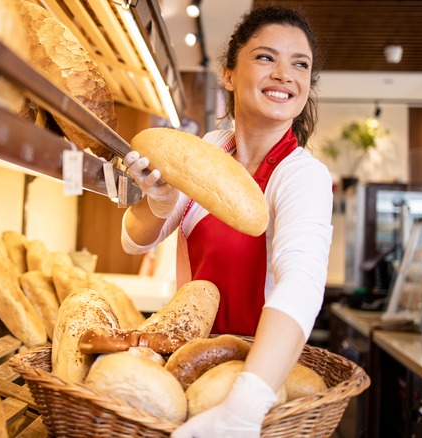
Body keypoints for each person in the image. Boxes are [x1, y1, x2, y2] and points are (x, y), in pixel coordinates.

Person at [120, 5, 332, 437]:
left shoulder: (301, 175)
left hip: (255, 384)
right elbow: (133, 241)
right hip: (186, 368)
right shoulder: (209, 152)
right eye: (266, 57)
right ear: (229, 74)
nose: (284, 74)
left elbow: (301, 282)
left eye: (300, 64)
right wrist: (159, 203)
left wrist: (246, 405)